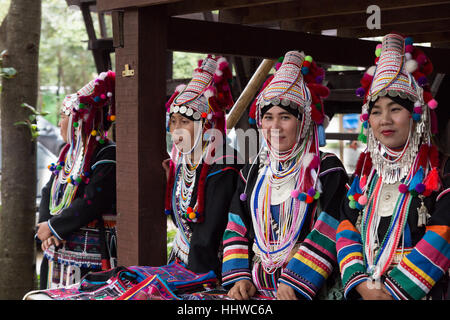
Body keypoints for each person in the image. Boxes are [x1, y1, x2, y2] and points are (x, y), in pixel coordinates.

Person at [221, 50, 348, 300]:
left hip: (308, 292)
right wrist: (240, 277)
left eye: (285, 117)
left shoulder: (327, 168)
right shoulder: (254, 171)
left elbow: (331, 228)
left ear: (303, 123)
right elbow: (236, 225)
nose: (274, 127)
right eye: (268, 117)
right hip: (257, 289)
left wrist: (295, 281)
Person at [336, 33, 450, 300]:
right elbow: (346, 228)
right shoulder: (365, 175)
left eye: (395, 109)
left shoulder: (442, 171)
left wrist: (391, 292)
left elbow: (444, 233)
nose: (384, 120)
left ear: (417, 115)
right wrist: (362, 285)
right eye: (376, 111)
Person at [36, 71, 117, 289]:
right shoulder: (68, 153)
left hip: (89, 256)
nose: (59, 123)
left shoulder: (107, 153)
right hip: (57, 250)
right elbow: (48, 190)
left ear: (79, 121)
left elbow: (92, 201)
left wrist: (54, 227)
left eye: (63, 117)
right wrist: (46, 229)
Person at [163, 56, 242, 279]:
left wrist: (194, 282)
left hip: (210, 271)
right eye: (173, 121)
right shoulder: (186, 161)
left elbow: (209, 234)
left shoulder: (224, 163)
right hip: (182, 260)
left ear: (205, 125)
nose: (176, 130)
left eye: (185, 122)